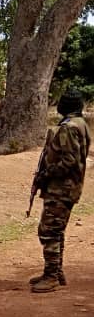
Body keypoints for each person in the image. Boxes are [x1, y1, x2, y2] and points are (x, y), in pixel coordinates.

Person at [30, 86, 90, 293]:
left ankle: (52, 276)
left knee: (49, 231)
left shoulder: (69, 127)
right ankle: (56, 271)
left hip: (61, 189)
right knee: (57, 229)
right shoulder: (80, 124)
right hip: (69, 187)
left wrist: (46, 174)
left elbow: (69, 161)